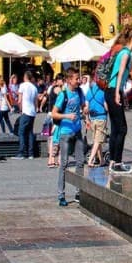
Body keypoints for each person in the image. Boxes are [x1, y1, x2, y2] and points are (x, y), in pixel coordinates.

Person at [105, 27, 132, 174]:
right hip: (114, 90)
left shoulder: (123, 52)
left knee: (115, 128)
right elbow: (120, 73)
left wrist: (118, 92)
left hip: (111, 90)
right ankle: (117, 162)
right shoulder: (125, 53)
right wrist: (118, 93)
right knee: (122, 128)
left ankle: (113, 162)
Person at [52, 69, 86, 207]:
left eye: (79, 78)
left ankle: (79, 192)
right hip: (65, 132)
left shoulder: (79, 92)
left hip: (77, 131)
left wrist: (86, 111)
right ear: (69, 80)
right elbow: (54, 114)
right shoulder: (63, 95)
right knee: (64, 164)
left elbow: (83, 105)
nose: (79, 81)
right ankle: (61, 195)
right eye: (76, 79)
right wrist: (67, 116)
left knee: (80, 162)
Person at [84, 73, 109, 167]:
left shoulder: (89, 91)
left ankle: (101, 160)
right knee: (97, 141)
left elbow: (86, 107)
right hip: (101, 118)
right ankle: (90, 160)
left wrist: (87, 120)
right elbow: (106, 107)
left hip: (92, 118)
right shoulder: (103, 91)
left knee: (96, 140)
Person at [14, 69, 38, 159]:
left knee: (21, 132)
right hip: (32, 112)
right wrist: (35, 111)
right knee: (30, 132)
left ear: (25, 77)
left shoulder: (22, 85)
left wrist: (20, 110)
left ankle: (21, 152)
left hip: (26, 111)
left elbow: (19, 100)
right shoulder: (34, 87)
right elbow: (36, 102)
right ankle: (31, 153)